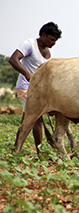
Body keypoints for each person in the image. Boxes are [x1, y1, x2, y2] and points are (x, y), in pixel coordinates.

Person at [9, 22, 62, 152]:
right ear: (43, 35)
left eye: (55, 41)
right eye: (51, 39)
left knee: (26, 120)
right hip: (26, 87)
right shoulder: (30, 44)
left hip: (41, 90)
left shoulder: (50, 52)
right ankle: (40, 152)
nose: (53, 43)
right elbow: (13, 59)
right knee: (37, 118)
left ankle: (16, 147)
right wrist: (28, 75)